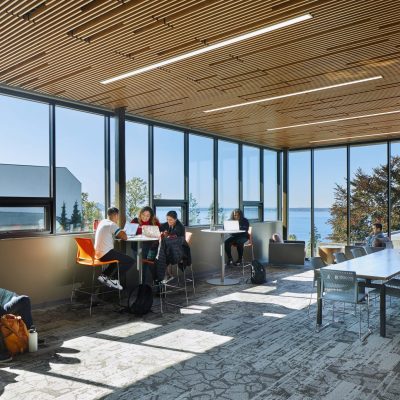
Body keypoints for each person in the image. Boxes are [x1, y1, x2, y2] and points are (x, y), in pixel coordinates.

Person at [95, 207, 134, 290]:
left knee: (117, 259)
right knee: (130, 261)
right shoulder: (112, 224)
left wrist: (119, 231)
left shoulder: (102, 222)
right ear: (116, 215)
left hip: (97, 254)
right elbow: (125, 237)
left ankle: (104, 276)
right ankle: (114, 279)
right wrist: (122, 231)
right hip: (105, 254)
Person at [0, 288, 34, 363]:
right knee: (23, 299)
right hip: (3, 307)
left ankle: (31, 338)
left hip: (6, 303)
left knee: (24, 299)